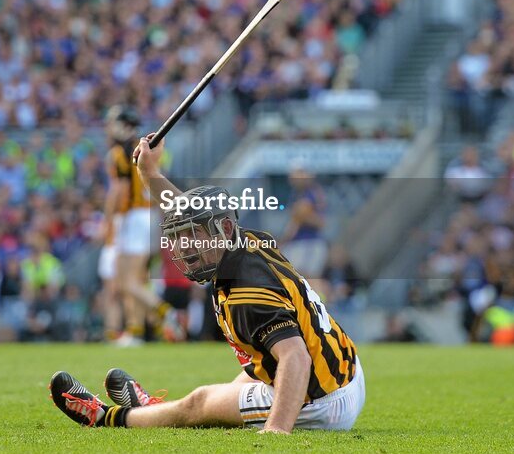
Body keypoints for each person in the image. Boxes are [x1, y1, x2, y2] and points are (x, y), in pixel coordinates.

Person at [48, 133, 364, 433]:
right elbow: (181, 209)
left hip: (321, 400)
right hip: (342, 370)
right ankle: (150, 410)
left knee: (200, 403)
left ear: (224, 228)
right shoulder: (246, 242)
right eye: (179, 236)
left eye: (193, 235)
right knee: (229, 391)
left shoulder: (248, 293)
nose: (183, 246)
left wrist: (277, 428)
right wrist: (150, 171)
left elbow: (296, 358)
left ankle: (107, 418)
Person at [102, 106, 179, 345]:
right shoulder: (148, 148)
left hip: (132, 217)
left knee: (127, 281)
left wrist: (109, 221)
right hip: (149, 216)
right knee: (136, 278)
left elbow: (119, 190)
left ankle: (164, 311)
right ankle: (135, 331)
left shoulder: (119, 152)